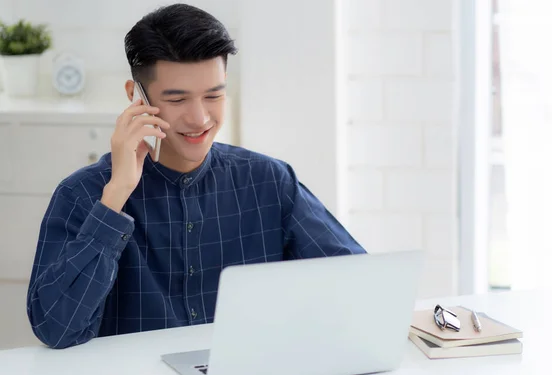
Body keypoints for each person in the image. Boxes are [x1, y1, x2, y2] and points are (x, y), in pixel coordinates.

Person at [26, 3, 365, 349]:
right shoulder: (82, 195)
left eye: (213, 95)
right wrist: (116, 196)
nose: (200, 118)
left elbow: (359, 284)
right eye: (178, 100)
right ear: (135, 97)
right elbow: (56, 329)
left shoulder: (270, 181)